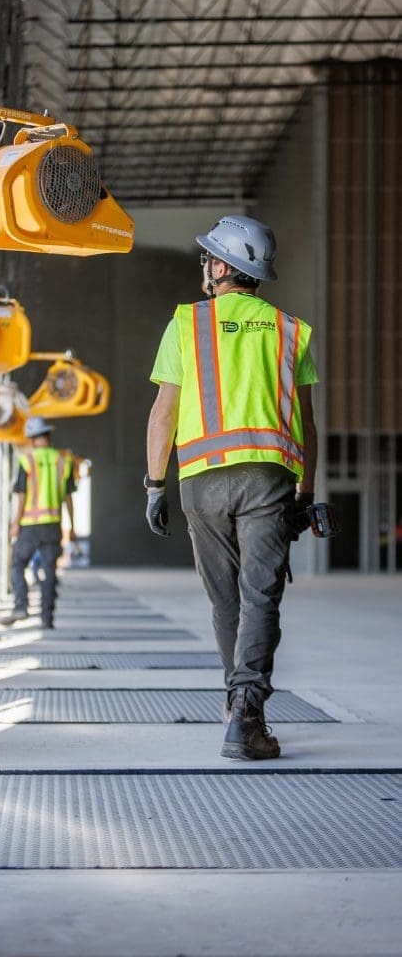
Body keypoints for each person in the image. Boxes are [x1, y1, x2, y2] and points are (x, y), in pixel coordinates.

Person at [145, 214, 319, 761]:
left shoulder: (186, 324)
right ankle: (247, 713)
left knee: (226, 601)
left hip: (200, 479)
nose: (205, 267)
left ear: (222, 267)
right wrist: (306, 494)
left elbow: (163, 413)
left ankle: (236, 702)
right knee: (260, 596)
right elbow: (306, 425)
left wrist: (155, 485)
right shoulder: (293, 331)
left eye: (208, 259)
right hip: (269, 479)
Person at [10, 416, 76, 628]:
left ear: (31, 439)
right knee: (49, 571)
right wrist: (72, 527)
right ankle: (47, 618)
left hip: (30, 524)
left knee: (18, 564)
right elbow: (68, 498)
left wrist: (15, 523)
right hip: (52, 525)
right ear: (48, 436)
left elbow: (21, 495)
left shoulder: (26, 460)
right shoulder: (63, 461)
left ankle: (21, 606)